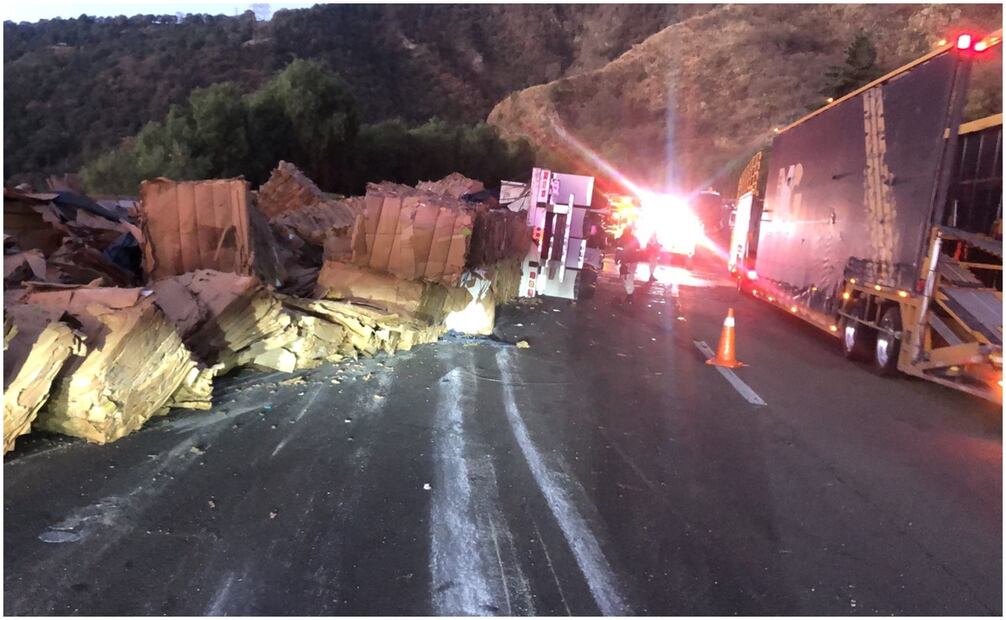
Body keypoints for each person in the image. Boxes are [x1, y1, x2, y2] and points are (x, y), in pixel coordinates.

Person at [616, 225, 642, 304]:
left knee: (625, 277)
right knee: (629, 277)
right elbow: (638, 249)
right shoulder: (634, 238)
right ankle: (629, 293)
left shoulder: (622, 239)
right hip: (633, 261)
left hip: (626, 261)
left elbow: (619, 250)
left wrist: (617, 259)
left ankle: (629, 294)